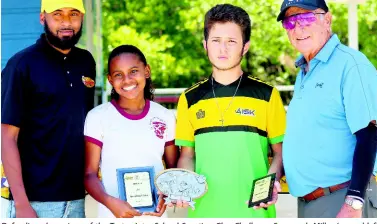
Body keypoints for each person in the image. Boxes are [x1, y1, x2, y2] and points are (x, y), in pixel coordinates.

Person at [172, 4, 286, 218]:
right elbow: (187, 156)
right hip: (204, 213)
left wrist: (271, 185)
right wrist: (184, 186)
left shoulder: (268, 94)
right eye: (216, 41)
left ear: (245, 46)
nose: (222, 49)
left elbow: (280, 153)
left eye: (231, 41)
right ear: (205, 45)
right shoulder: (189, 99)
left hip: (254, 212)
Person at [277, 0, 377, 218]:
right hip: (310, 202)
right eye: (290, 22)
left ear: (327, 19)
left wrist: (354, 202)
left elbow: (368, 136)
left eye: (306, 18)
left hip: (342, 199)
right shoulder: (305, 70)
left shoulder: (351, 65)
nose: (298, 28)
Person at [1, 0, 95, 218]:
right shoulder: (21, 65)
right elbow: (6, 137)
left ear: (81, 17)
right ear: (43, 18)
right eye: (58, 14)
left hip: (76, 197)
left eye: (73, 14)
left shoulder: (86, 62)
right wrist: (22, 204)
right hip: (35, 201)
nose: (66, 22)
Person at [83, 45, 179, 218]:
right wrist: (109, 202)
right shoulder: (98, 117)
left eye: (133, 71)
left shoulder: (165, 116)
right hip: (112, 215)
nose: (127, 80)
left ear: (147, 71)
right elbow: (89, 174)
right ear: (110, 80)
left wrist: (167, 196)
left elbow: (174, 170)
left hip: (154, 216)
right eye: (118, 74)